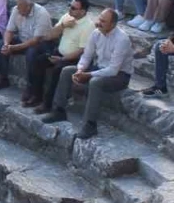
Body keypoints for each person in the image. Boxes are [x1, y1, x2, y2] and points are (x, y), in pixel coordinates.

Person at [42, 9, 134, 139]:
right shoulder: (96, 33)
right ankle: (59, 110)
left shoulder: (122, 39)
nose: (98, 23)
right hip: (100, 67)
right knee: (67, 70)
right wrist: (80, 70)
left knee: (95, 82)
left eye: (103, 21)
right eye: (99, 19)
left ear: (113, 24)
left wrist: (89, 74)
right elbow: (86, 56)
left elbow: (113, 69)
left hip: (120, 75)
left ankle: (90, 125)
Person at [35, 0, 95, 115]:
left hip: (74, 59)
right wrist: (62, 25)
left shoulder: (88, 26)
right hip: (60, 52)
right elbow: (49, 36)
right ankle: (36, 95)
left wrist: (62, 59)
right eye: (70, 6)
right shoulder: (67, 17)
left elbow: (81, 51)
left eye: (73, 8)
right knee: (38, 61)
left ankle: (48, 104)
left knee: (58, 70)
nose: (70, 9)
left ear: (82, 11)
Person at [0, 0, 53, 102]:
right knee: (1, 45)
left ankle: (31, 88)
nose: (17, 8)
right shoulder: (16, 10)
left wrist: (14, 48)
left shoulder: (42, 14)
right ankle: (2, 78)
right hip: (23, 40)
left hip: (40, 44)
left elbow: (36, 40)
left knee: (31, 54)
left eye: (20, 6)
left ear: (29, 6)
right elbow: (9, 30)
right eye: (17, 5)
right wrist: (6, 44)